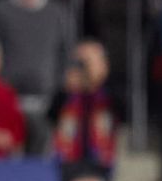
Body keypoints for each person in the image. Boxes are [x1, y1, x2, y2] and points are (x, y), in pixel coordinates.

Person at [0, 0, 74, 148]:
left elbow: (66, 53)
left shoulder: (59, 11)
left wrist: (59, 89)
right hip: (6, 102)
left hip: (48, 102)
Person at [49, 40, 120, 172]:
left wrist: (97, 79)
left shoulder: (110, 94)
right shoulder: (66, 95)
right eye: (80, 62)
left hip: (101, 164)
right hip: (68, 164)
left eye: (88, 62)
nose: (84, 68)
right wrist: (67, 90)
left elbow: (119, 109)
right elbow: (51, 116)